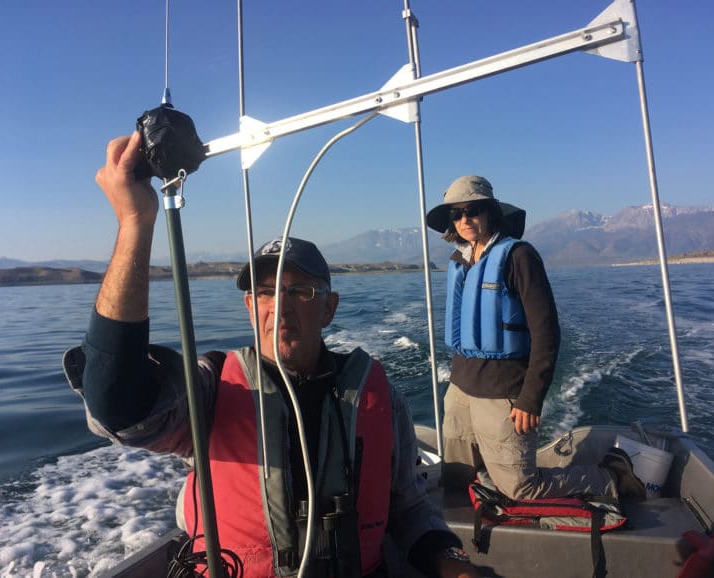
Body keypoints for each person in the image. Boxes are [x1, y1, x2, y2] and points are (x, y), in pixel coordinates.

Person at [63, 132, 480, 578]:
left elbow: (409, 507)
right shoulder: (212, 388)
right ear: (249, 306)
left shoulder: (379, 394)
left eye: (300, 290)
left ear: (329, 308)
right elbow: (115, 404)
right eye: (265, 292)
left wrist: (451, 562)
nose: (279, 304)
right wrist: (135, 222)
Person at [426, 175, 645, 501]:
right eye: (456, 214)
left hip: (502, 392)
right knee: (456, 476)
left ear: (489, 212)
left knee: (520, 488)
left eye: (472, 210)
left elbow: (546, 332)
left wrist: (531, 398)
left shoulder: (518, 257)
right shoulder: (461, 261)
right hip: (460, 390)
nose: (464, 220)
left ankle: (611, 477)